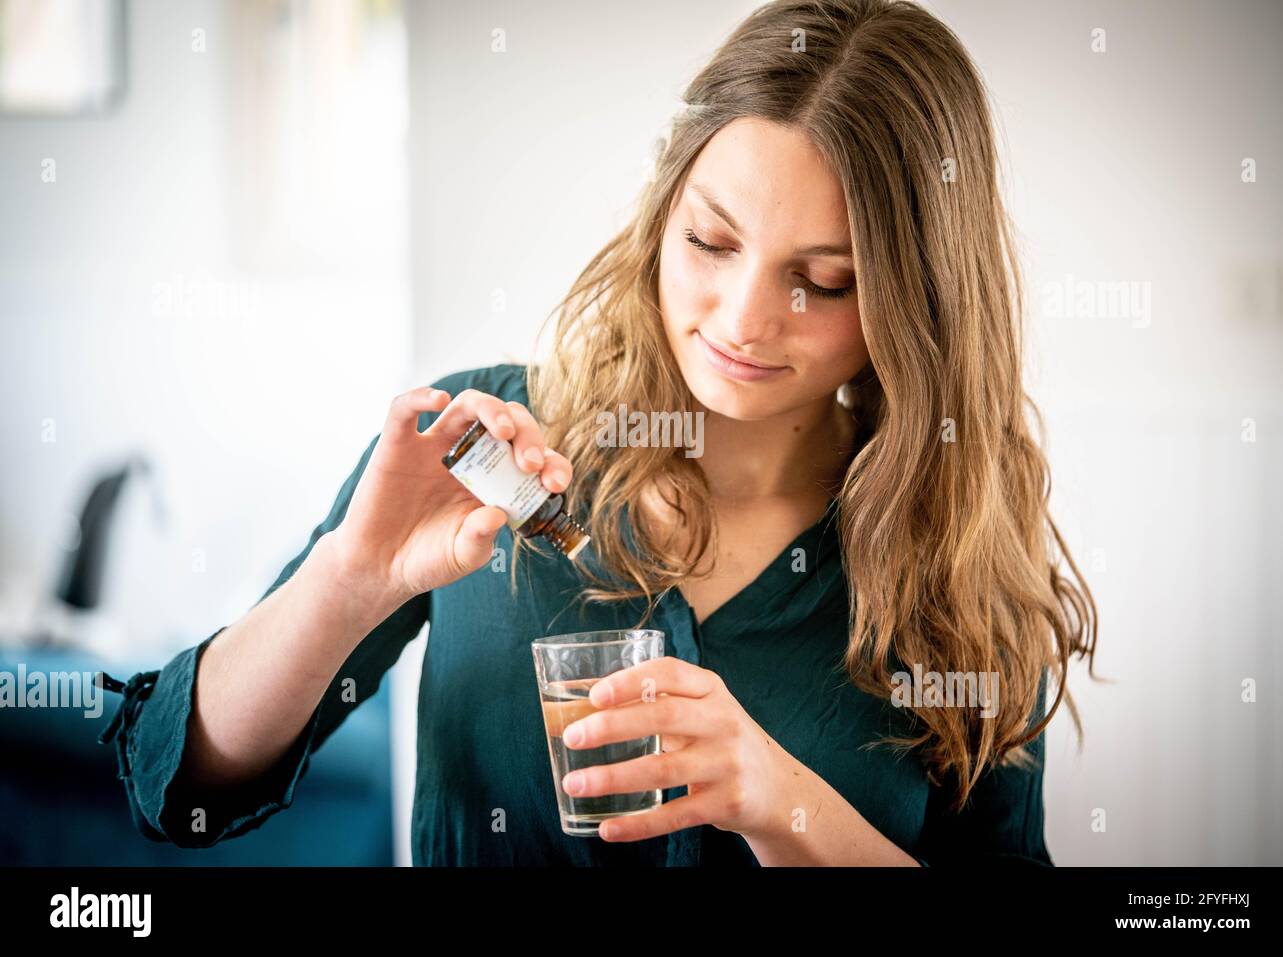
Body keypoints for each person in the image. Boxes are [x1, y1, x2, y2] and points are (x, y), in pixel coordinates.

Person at [100, 0, 1097, 866]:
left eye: (822, 281)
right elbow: (180, 791)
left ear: (915, 298)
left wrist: (781, 803)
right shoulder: (483, 452)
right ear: (663, 215)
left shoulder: (956, 559)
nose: (744, 318)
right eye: (709, 240)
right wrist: (348, 580)